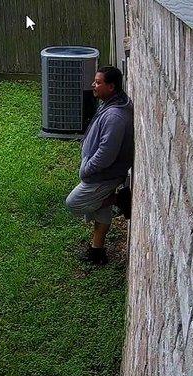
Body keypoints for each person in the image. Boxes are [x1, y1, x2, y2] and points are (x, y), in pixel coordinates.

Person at [66, 66, 134, 265]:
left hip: (104, 174)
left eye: (97, 82)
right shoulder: (111, 102)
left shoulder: (115, 116)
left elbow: (106, 154)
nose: (93, 86)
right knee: (100, 213)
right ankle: (97, 252)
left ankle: (118, 200)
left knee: (74, 203)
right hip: (104, 174)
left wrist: (86, 170)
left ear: (111, 86)